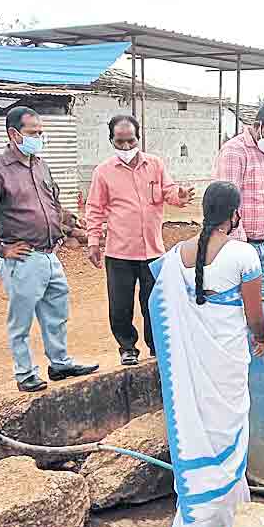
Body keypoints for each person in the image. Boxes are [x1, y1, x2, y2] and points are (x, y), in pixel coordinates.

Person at [148, 181, 264, 527]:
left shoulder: (173, 256)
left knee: (197, 432)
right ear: (234, 214)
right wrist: (262, 339)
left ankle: (199, 524)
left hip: (191, 366)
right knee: (227, 432)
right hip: (227, 363)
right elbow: (255, 317)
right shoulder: (244, 255)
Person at [0, 106, 98, 392]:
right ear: (14, 134)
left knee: (57, 310)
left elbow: (53, 199)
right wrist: (0, 248)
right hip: (22, 258)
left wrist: (60, 227)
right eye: (33, 133)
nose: (39, 137)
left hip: (49, 254)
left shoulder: (39, 164)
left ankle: (60, 363)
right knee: (21, 319)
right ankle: (25, 373)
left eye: (41, 132)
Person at [85, 115, 195, 366]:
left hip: (153, 250)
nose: (126, 147)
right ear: (111, 140)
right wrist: (93, 241)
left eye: (130, 141)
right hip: (119, 251)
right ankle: (127, 347)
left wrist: (179, 195)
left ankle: (156, 344)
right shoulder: (103, 172)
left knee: (154, 301)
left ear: (138, 138)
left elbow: (169, 192)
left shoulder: (155, 165)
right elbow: (95, 208)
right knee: (120, 305)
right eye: (120, 142)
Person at [214, 99, 264, 278]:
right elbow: (227, 205)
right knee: (243, 300)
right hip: (241, 244)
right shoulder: (234, 151)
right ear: (258, 125)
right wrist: (241, 248)